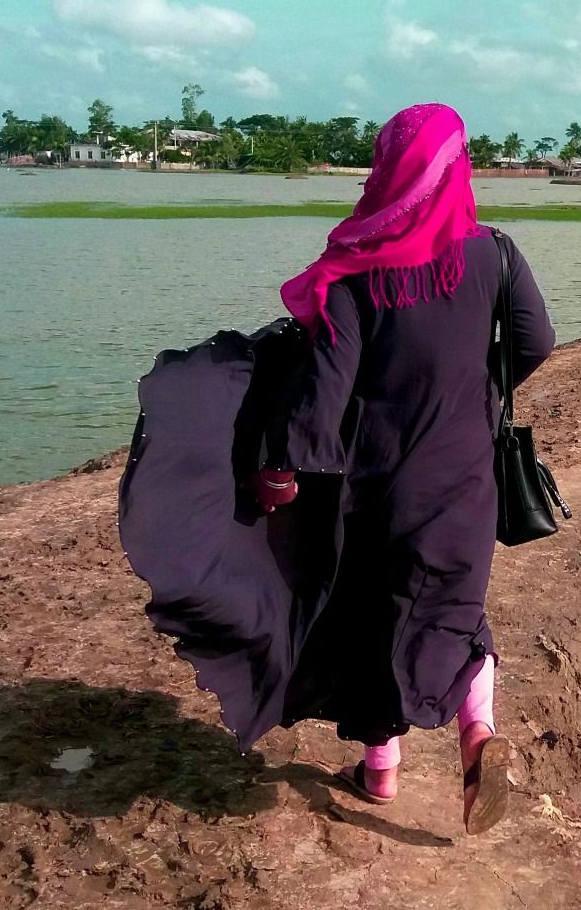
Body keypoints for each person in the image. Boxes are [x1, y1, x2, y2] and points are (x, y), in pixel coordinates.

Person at [121, 103, 556, 837]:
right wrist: (475, 384)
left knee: (369, 618)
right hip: (465, 480)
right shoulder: (497, 255)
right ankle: (477, 735)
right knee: (455, 611)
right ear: (458, 170)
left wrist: (281, 468)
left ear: (388, 172)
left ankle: (380, 768)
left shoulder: (356, 276)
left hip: (374, 483)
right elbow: (534, 340)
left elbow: (326, 391)